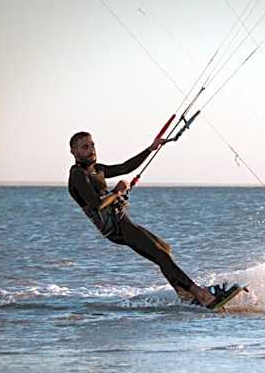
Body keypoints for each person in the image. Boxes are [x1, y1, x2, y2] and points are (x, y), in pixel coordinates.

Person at [67, 131, 221, 307]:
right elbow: (95, 205)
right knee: (160, 254)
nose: (91, 150)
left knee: (164, 249)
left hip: (122, 221)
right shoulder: (78, 175)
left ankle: (184, 295)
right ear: (74, 152)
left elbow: (125, 167)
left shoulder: (97, 169)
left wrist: (150, 149)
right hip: (116, 228)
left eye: (92, 145)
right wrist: (117, 191)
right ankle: (201, 295)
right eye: (85, 147)